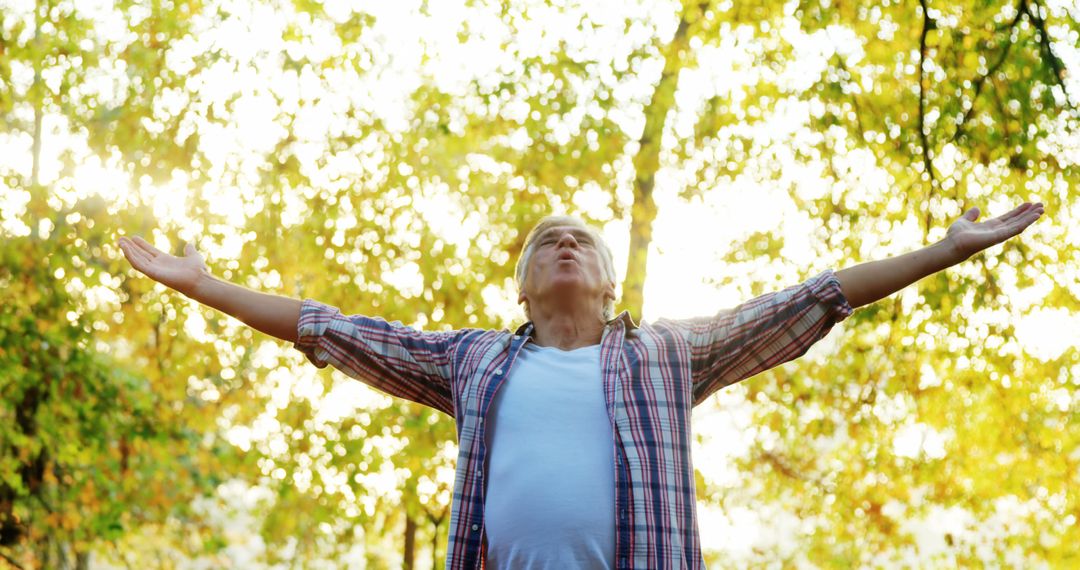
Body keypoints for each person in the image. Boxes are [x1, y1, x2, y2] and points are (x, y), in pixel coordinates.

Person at [117, 201, 1045, 569]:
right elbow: (330, 329)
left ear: (608, 281)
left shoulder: (669, 356)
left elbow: (814, 300)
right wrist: (204, 287)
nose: (563, 244)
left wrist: (943, 252)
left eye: (581, 242)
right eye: (544, 243)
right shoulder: (473, 360)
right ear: (523, 287)